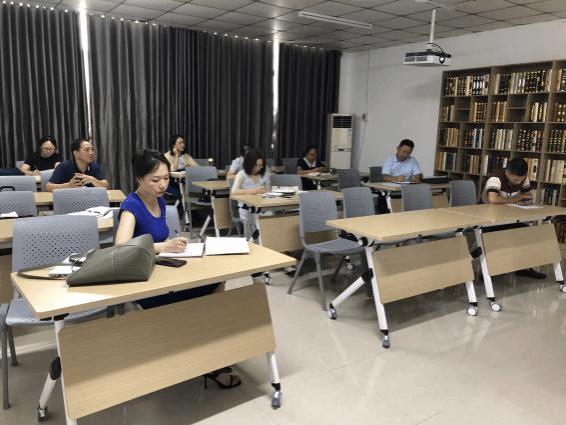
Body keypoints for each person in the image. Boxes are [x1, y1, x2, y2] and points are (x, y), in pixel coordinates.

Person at [115, 149, 241, 388]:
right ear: (139, 179)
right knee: (204, 296)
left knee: (216, 281)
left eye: (166, 178)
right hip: (146, 283)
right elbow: (121, 247)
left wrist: (175, 244)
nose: (163, 185)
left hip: (164, 273)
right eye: (155, 180)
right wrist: (163, 247)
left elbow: (159, 238)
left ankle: (203, 344)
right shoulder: (131, 205)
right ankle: (203, 354)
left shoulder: (160, 201)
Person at [481, 157, 546, 279]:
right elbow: (493, 199)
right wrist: (516, 199)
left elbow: (528, 194)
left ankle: (522, 267)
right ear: (507, 173)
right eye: (515, 179)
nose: (518, 182)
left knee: (527, 232)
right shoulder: (496, 178)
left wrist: (527, 200)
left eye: (521, 179)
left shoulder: (522, 178)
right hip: (488, 218)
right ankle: (491, 269)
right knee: (501, 234)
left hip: (507, 217)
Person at [231, 149, 270, 239]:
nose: (258, 168)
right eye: (256, 165)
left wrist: (264, 190)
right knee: (257, 223)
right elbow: (234, 191)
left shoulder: (264, 174)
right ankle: (253, 241)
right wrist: (253, 191)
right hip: (246, 209)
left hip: (261, 208)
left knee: (272, 218)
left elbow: (268, 190)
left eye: (261, 165)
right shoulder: (242, 175)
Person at [164, 135, 199, 203]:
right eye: (180, 143)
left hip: (185, 183)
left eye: (183, 142)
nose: (182, 145)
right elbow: (173, 169)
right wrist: (177, 155)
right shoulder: (167, 156)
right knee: (182, 194)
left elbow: (197, 167)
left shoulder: (186, 156)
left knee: (193, 191)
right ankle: (184, 207)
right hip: (171, 183)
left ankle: (189, 207)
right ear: (174, 145)